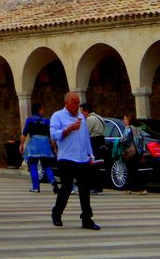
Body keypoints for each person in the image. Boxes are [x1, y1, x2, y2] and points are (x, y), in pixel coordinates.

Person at [50, 92, 99, 230]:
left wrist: (90, 155)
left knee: (84, 189)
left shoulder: (81, 118)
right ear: (66, 103)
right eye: (75, 103)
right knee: (67, 187)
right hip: (66, 158)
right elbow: (53, 135)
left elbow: (85, 138)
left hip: (82, 159)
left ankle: (87, 218)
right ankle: (57, 212)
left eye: (78, 102)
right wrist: (69, 128)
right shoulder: (57, 116)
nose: (78, 106)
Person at [20, 103, 58, 193]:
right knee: (47, 166)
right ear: (40, 109)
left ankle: (35, 187)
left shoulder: (29, 120)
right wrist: (54, 147)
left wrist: (21, 144)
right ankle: (53, 181)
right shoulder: (47, 121)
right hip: (45, 145)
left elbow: (24, 134)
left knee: (33, 166)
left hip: (34, 145)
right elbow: (51, 135)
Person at [81, 102, 105, 194]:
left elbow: (85, 132)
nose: (81, 114)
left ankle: (94, 187)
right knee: (97, 166)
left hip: (93, 142)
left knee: (92, 166)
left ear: (86, 111)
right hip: (101, 142)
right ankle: (99, 187)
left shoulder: (90, 119)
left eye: (82, 111)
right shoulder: (100, 118)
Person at [120, 114, 146, 195]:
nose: (124, 121)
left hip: (130, 152)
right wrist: (142, 154)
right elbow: (142, 141)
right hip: (137, 153)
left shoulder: (128, 128)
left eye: (125, 119)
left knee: (130, 171)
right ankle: (129, 188)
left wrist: (119, 141)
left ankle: (139, 189)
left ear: (129, 120)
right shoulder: (139, 129)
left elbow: (124, 139)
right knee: (134, 170)